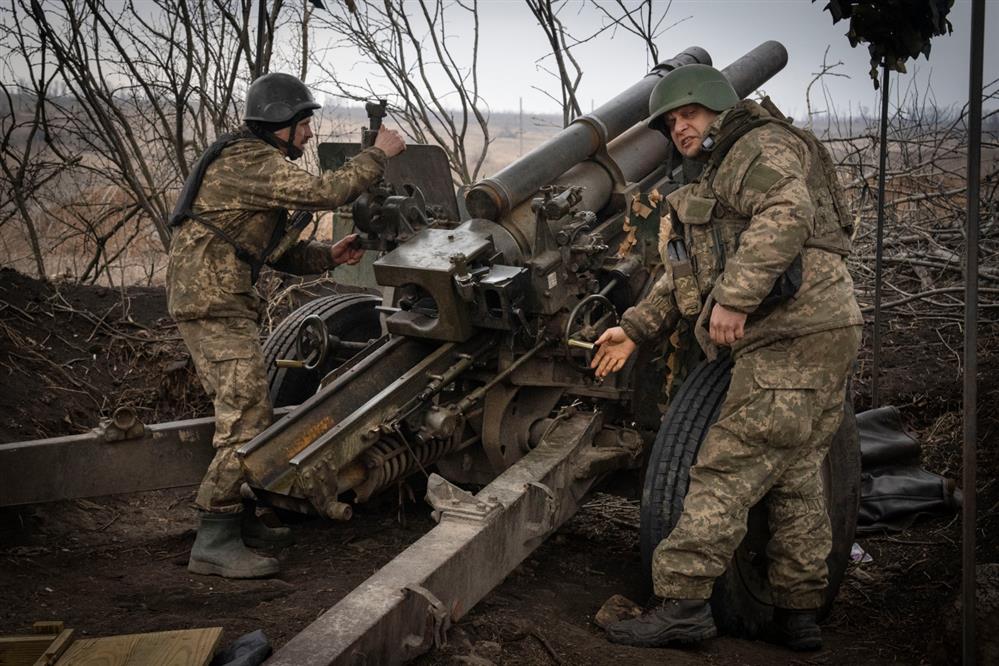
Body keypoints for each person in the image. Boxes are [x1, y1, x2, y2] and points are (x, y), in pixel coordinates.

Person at [591, 64, 862, 651]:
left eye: (689, 114)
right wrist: (634, 330)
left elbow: (788, 211)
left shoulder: (755, 145)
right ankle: (798, 613)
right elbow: (686, 274)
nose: (680, 128)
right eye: (671, 122)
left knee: (726, 467)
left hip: (793, 333)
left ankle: (683, 604)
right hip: (823, 329)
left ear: (718, 108)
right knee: (795, 475)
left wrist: (737, 298)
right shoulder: (716, 176)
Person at [166, 72, 405, 579]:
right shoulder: (249, 160)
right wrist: (377, 154)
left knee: (248, 411)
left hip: (220, 298)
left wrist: (329, 256)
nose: (310, 133)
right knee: (247, 418)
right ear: (280, 123)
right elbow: (325, 191)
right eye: (304, 123)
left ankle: (240, 521)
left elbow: (269, 252)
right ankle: (214, 537)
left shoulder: (252, 162)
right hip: (212, 302)